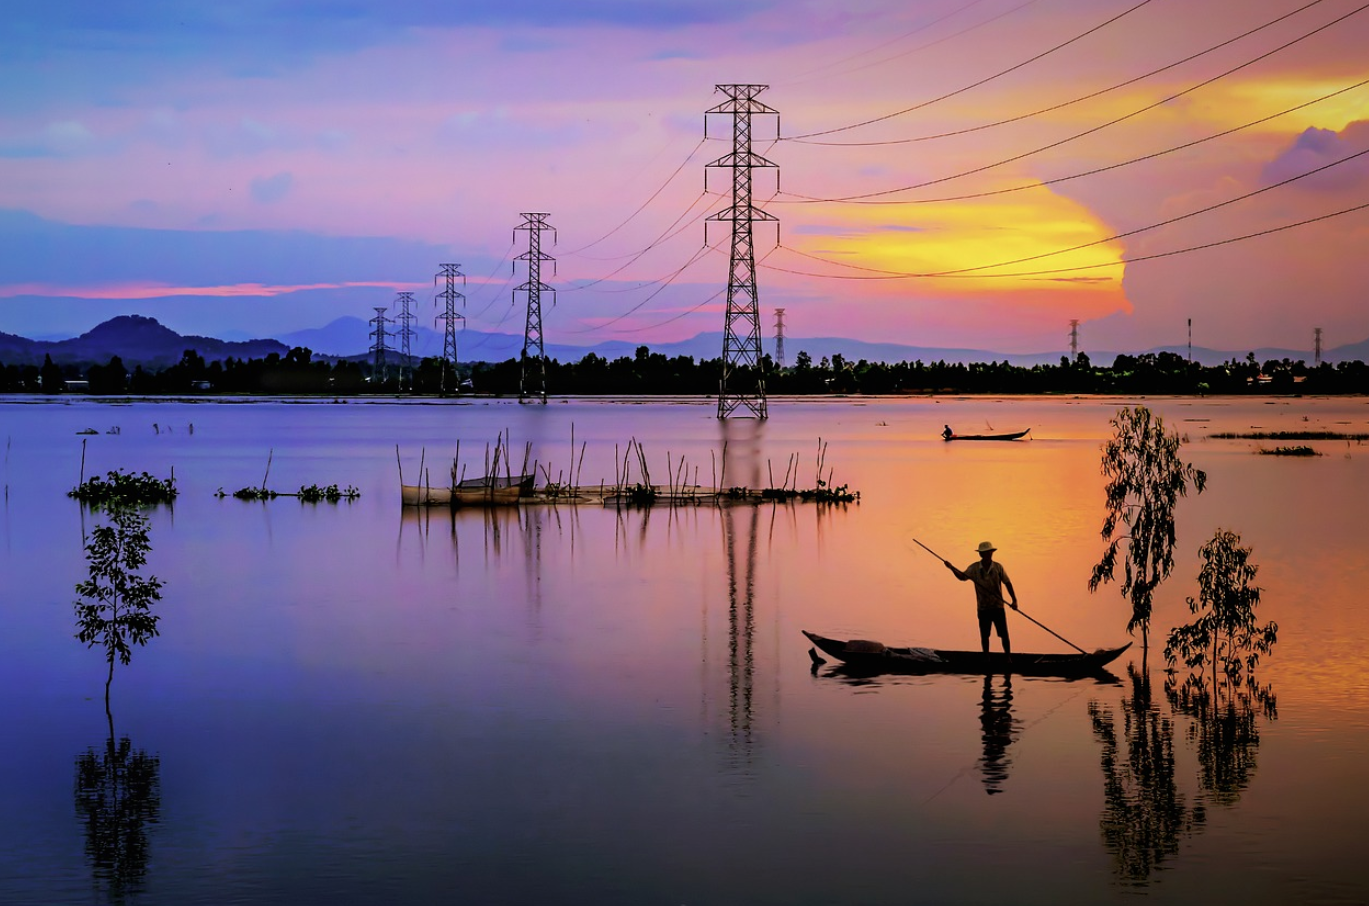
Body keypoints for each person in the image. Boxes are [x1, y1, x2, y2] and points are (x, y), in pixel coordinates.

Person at [944, 541, 1018, 660]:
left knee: (1004, 634)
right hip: (983, 608)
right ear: (981, 555)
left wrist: (1014, 601)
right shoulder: (974, 568)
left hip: (998, 606)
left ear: (991, 553)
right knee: (985, 635)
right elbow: (962, 577)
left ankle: (1008, 658)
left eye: (988, 553)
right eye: (984, 553)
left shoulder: (998, 567)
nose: (987, 555)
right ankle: (986, 659)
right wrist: (951, 568)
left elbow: (1007, 583)